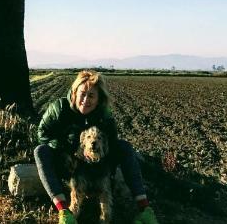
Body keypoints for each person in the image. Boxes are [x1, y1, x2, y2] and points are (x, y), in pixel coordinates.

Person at [34, 70, 159, 224]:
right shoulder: (59, 107)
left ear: (99, 99)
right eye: (82, 93)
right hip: (66, 163)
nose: (85, 100)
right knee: (40, 151)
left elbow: (112, 144)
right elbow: (42, 133)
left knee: (125, 147)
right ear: (74, 92)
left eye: (91, 95)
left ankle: (144, 209)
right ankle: (64, 211)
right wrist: (64, 151)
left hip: (96, 167)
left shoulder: (104, 115)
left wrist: (106, 172)